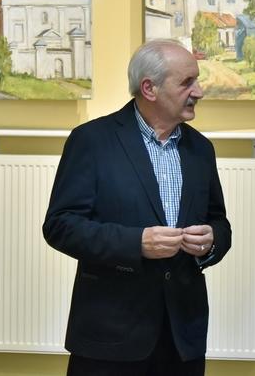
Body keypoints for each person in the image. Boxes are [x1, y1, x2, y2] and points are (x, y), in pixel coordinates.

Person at [43, 40, 232, 376]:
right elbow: (61, 225)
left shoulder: (201, 149)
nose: (199, 91)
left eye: (197, 81)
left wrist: (211, 240)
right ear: (149, 88)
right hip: (110, 334)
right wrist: (136, 243)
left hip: (182, 337)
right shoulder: (92, 141)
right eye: (187, 82)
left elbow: (219, 222)